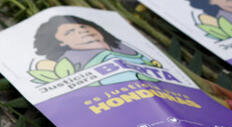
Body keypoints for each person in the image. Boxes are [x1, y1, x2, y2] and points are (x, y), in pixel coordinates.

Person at [30, 15, 161, 85]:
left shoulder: (124, 48)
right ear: (61, 43)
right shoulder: (69, 63)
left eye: (82, 26)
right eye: (70, 32)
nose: (82, 31)